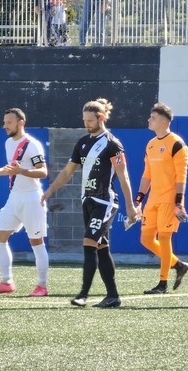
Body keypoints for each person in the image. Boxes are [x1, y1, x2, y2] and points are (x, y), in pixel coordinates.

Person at [41, 98, 137, 308]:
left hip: (105, 201)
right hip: (88, 201)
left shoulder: (113, 144)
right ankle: (113, 296)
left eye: (90, 120)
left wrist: (130, 206)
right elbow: (68, 172)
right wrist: (49, 191)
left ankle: (83, 294)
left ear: (101, 118)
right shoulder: (82, 143)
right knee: (102, 248)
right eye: (84, 120)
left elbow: (124, 176)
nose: (86, 123)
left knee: (88, 243)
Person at [0, 108, 50, 297]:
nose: (5, 126)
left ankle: (42, 286)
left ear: (20, 123)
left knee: (36, 242)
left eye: (9, 122)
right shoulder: (9, 143)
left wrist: (22, 171)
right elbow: (12, 169)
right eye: (4, 122)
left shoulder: (32, 145)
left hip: (32, 198)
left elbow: (43, 172)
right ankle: (6, 282)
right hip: (14, 198)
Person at [134, 103, 188, 295]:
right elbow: (146, 175)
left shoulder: (177, 143)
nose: (149, 120)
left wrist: (178, 202)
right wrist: (139, 199)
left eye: (153, 117)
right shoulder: (150, 144)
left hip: (170, 200)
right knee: (146, 239)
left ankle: (162, 283)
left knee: (164, 238)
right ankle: (179, 265)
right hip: (153, 200)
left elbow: (181, 176)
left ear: (164, 121)